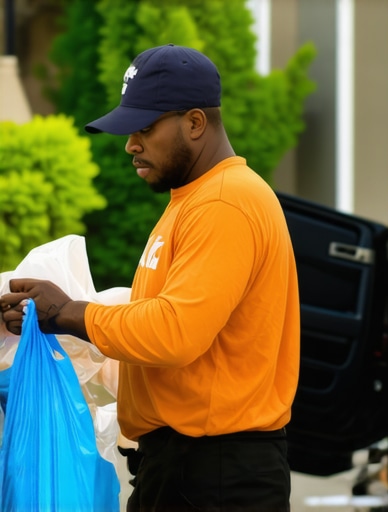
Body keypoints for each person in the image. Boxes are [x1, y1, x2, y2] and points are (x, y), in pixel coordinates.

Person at [0, 44, 300, 512]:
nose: (130, 144)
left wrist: (70, 313)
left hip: (215, 474)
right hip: (184, 465)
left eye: (144, 128)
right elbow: (167, 327)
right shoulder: (194, 200)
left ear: (195, 123)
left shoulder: (224, 203)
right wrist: (59, 318)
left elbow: (174, 332)